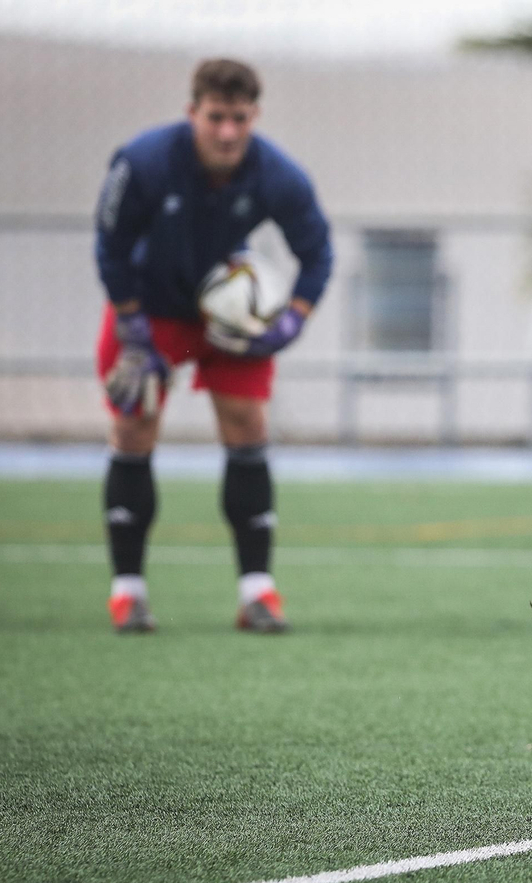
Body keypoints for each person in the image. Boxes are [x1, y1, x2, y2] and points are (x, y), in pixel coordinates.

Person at [94, 58, 334, 634]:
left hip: (228, 315)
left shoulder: (278, 175)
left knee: (248, 423)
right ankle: (128, 594)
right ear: (192, 113)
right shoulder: (145, 161)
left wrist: (291, 322)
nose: (228, 132)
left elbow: (318, 254)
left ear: (255, 116)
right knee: (133, 423)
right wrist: (131, 329)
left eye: (240, 119)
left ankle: (258, 595)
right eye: (216, 118)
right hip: (149, 308)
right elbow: (110, 245)